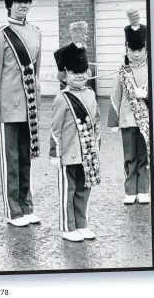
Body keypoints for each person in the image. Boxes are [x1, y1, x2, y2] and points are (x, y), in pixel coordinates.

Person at [0, 0, 42, 227]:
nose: (24, 6)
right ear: (10, 2)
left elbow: (36, 74)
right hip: (8, 109)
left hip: (29, 108)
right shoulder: (1, 35)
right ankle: (13, 211)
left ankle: (27, 205)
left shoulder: (36, 33)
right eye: (19, 1)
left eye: (27, 1)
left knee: (25, 159)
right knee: (10, 160)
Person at [49, 40, 102, 242]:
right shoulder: (61, 98)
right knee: (68, 192)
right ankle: (67, 227)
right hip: (67, 154)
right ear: (64, 75)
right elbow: (55, 129)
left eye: (83, 71)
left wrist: (96, 148)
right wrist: (55, 153)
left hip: (87, 154)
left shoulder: (91, 94)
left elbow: (96, 123)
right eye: (74, 72)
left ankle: (82, 224)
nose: (80, 75)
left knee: (84, 189)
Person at [107, 7, 150, 205]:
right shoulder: (123, 71)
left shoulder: (153, 69)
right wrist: (113, 122)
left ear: (146, 49)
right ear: (127, 50)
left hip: (147, 121)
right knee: (130, 157)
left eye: (139, 50)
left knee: (144, 156)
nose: (136, 55)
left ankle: (143, 190)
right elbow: (115, 97)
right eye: (132, 51)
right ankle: (130, 190)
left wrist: (148, 95)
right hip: (126, 120)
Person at [54, 21, 92, 90]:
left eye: (83, 33)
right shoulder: (67, 50)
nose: (81, 36)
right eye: (77, 33)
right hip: (72, 82)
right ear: (73, 35)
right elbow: (57, 53)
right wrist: (61, 70)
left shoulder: (82, 48)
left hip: (82, 81)